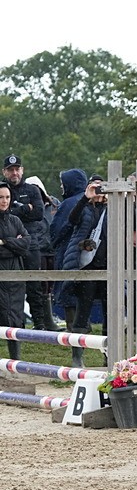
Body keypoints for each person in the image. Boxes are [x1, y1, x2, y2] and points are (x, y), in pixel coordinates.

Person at [3, 154, 55, 330]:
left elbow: (39, 213)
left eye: (17, 169)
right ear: (4, 172)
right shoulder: (2, 190)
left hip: (30, 244)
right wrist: (25, 209)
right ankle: (16, 323)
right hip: (8, 246)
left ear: (22, 170)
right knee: (11, 285)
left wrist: (14, 211)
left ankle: (39, 322)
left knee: (34, 285)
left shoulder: (32, 190)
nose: (14, 173)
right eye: (11, 170)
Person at [62, 177, 109, 367]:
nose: (98, 191)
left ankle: (109, 356)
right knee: (82, 314)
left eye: (101, 187)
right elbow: (71, 220)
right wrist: (85, 197)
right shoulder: (85, 208)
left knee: (111, 315)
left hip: (108, 268)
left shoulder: (112, 209)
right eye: (95, 187)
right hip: (87, 268)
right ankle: (77, 358)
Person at [49, 169, 88, 331]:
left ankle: (74, 331)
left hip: (68, 254)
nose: (61, 186)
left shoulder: (69, 204)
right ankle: (84, 326)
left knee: (68, 293)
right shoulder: (88, 201)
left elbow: (56, 232)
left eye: (63, 183)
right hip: (87, 257)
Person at [0, 182, 32, 360]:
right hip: (1, 276)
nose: (4, 201)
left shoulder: (15, 220)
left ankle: (16, 360)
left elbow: (26, 244)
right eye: (1, 197)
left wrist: (5, 241)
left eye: (7, 197)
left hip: (16, 277)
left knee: (15, 318)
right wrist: (14, 243)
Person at [24, 175, 60, 329]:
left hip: (51, 249)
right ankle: (41, 321)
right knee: (38, 286)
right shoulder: (28, 207)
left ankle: (48, 319)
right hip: (36, 250)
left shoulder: (53, 204)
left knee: (49, 286)